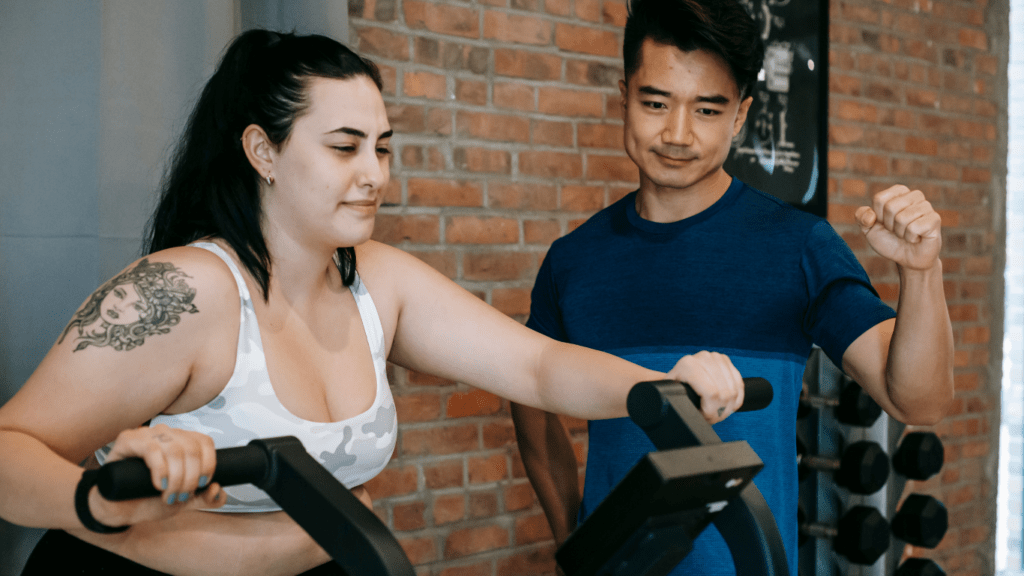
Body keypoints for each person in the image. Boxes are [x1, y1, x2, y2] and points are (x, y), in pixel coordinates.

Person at [0, 29, 748, 576]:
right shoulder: (185, 289)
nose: (374, 174)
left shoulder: (380, 283)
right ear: (263, 152)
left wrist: (660, 389)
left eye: (383, 147)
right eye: (344, 147)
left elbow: (540, 368)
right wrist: (95, 498)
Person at [509, 0, 955, 574]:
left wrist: (921, 272)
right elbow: (530, 401)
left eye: (708, 110)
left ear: (741, 116)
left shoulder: (799, 246)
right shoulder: (573, 260)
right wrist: (573, 533)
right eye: (655, 103)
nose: (677, 133)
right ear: (624, 96)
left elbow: (920, 399)